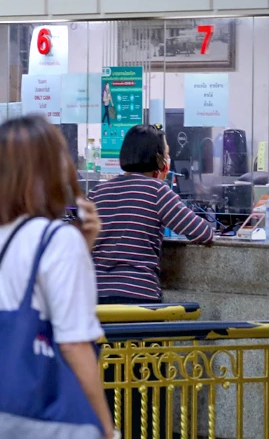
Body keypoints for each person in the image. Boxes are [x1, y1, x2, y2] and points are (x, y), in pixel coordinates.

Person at [0, 115, 130, 439]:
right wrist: (111, 438)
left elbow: (27, 301)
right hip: (55, 433)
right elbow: (73, 344)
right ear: (55, 169)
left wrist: (80, 246)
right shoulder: (59, 242)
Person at [89, 124, 213, 304]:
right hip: (139, 298)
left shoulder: (98, 192)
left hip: (95, 298)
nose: (168, 159)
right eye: (167, 154)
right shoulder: (156, 191)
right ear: (159, 159)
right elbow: (203, 233)